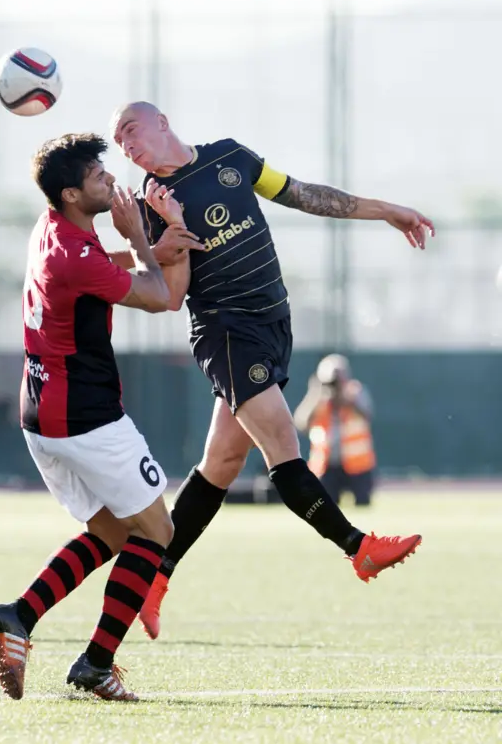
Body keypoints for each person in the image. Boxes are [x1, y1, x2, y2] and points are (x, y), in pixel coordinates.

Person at [110, 101, 432, 639]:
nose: (125, 144)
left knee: (221, 463)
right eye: (118, 142)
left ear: (163, 122)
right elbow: (170, 292)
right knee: (283, 444)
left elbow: (305, 195)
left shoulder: (230, 157)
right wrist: (166, 233)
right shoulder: (150, 203)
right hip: (227, 332)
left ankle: (154, 578)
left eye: (130, 130)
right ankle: (359, 548)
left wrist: (387, 210)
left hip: (272, 326)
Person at [0, 133, 199, 702]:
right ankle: (96, 663)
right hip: (86, 416)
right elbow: (163, 297)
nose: (111, 181)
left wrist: (148, 248)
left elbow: (101, 268)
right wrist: (147, 241)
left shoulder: (53, 229)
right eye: (100, 177)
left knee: (109, 532)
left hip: (42, 415)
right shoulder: (77, 255)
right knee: (157, 532)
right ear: (72, 193)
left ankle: (18, 615)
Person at [294, 354, 376, 506]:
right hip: (326, 466)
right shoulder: (318, 399)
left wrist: (348, 399)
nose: (333, 385)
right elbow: (301, 423)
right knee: (327, 507)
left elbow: (367, 415)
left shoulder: (355, 392)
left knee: (363, 504)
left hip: (357, 465)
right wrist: (315, 395)